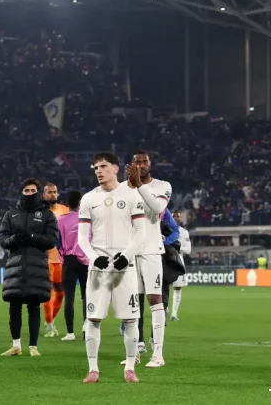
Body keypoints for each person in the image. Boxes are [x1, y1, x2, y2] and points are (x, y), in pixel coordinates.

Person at [78, 152, 146, 384]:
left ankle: (130, 368)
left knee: (131, 320)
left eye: (103, 166)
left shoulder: (132, 195)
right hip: (98, 269)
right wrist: (93, 257)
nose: (99, 171)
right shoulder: (88, 198)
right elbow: (82, 237)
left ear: (116, 168)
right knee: (93, 319)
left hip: (124, 268)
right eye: (96, 167)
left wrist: (126, 256)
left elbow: (141, 231)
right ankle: (93, 370)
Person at [122, 150, 172, 368]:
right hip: (130, 252)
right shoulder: (122, 189)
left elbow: (157, 208)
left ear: (150, 164)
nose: (141, 165)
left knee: (154, 299)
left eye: (144, 162)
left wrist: (139, 185)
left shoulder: (162, 186)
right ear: (131, 165)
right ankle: (133, 354)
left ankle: (158, 354)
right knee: (131, 303)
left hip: (151, 250)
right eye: (137, 162)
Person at [0, 178, 59, 357]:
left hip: (37, 267)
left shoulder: (47, 215)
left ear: (38, 193)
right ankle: (16, 346)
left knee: (34, 306)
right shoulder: (11, 214)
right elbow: (3, 239)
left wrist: (31, 236)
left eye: (33, 191)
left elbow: (51, 240)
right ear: (22, 192)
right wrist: (14, 239)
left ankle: (33, 346)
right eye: (27, 191)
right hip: (15, 268)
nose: (30, 193)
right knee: (14, 306)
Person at [57, 191, 89, 341]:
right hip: (86, 261)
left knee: (69, 297)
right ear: (81, 203)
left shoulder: (60, 220)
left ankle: (70, 333)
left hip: (69, 261)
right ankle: (86, 328)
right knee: (87, 296)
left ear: (67, 203)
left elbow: (57, 243)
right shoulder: (87, 219)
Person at [42, 182, 69, 338]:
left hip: (60, 259)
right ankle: (50, 327)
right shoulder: (40, 213)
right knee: (46, 293)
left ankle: (50, 320)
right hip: (44, 258)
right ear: (44, 195)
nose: (53, 194)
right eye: (49, 192)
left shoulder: (65, 210)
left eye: (55, 192)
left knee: (60, 293)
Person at [170, 210, 192, 321]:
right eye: (174, 217)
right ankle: (163, 310)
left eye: (177, 217)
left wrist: (177, 247)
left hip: (178, 261)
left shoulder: (184, 232)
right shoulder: (163, 230)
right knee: (162, 287)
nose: (176, 219)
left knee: (177, 288)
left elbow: (188, 250)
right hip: (165, 260)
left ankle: (174, 314)